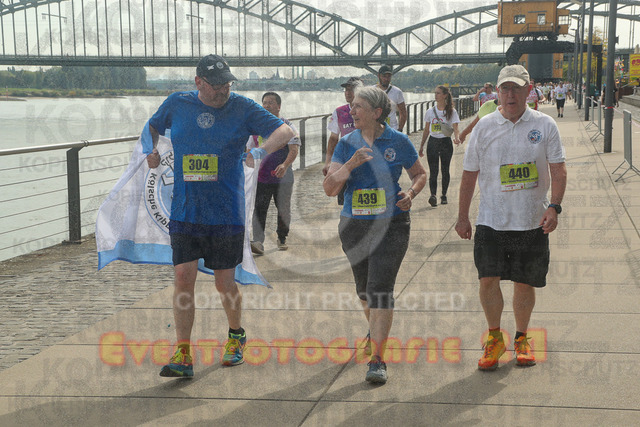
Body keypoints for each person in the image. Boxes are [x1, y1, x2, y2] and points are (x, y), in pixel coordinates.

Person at [145, 54, 295, 377]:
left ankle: (236, 335)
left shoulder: (242, 107)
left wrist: (260, 150)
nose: (223, 90)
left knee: (224, 282)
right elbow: (152, 127)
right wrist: (150, 151)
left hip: (226, 212)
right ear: (198, 82)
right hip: (185, 210)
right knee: (183, 277)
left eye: (227, 84)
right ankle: (183, 352)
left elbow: (285, 131)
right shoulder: (177, 103)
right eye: (215, 85)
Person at [455, 64, 567, 371]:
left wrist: (554, 206)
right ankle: (494, 338)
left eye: (516, 88)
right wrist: (462, 216)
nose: (510, 94)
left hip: (531, 221)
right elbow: (469, 175)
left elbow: (558, 169)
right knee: (487, 280)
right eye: (505, 88)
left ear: (528, 90)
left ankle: (521, 338)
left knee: (523, 282)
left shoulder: (544, 125)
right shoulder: (484, 127)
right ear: (497, 92)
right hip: (491, 220)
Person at [323, 86, 426, 384]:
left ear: (377, 112)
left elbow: (420, 174)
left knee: (380, 288)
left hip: (392, 224)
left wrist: (411, 193)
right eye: (352, 106)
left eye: (358, 106)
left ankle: (378, 358)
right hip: (354, 225)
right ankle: (376, 332)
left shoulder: (398, 141)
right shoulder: (346, 144)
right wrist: (351, 164)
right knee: (364, 291)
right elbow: (329, 188)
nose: (351, 111)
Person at [248, 92, 301, 255]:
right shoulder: (256, 128)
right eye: (264, 102)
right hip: (261, 177)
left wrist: (285, 165)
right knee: (259, 210)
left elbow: (294, 149)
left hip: (283, 177)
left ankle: (282, 237)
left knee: (283, 209)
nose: (267, 106)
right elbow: (249, 150)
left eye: (271, 102)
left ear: (279, 106)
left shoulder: (288, 126)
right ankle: (258, 241)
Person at [418, 85, 461, 207]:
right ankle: (433, 195)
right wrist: (421, 145)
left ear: (444, 95)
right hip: (433, 142)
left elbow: (456, 128)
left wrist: (457, 138)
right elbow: (426, 130)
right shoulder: (430, 111)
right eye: (435, 93)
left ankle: (444, 195)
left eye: (438, 93)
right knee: (433, 171)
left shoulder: (451, 111)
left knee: (445, 170)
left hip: (446, 142)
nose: (435, 95)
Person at [323, 77, 363, 205]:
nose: (347, 93)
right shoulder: (339, 112)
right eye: (346, 90)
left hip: (365, 160)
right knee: (345, 200)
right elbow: (333, 138)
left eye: (351, 89)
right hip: (345, 162)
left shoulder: (369, 110)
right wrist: (328, 162)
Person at [376, 65, 407, 133]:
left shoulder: (397, 92)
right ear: (379, 76)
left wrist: (400, 129)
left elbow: (403, 112)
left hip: (392, 130)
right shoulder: (372, 91)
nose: (386, 79)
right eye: (384, 76)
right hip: (376, 130)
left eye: (389, 76)